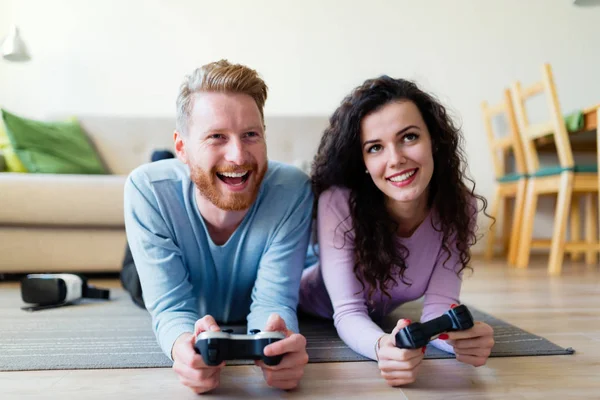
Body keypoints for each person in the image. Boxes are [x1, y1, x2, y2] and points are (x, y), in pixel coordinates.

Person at [124, 60, 312, 394]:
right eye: (216, 137)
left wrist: (276, 344)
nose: (238, 155)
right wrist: (182, 347)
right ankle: (163, 160)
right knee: (136, 282)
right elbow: (170, 307)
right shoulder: (144, 188)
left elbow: (275, 300)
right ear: (183, 146)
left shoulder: (293, 190)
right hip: (171, 254)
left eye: (251, 135)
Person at [298, 75, 494, 387]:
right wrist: (382, 347)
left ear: (434, 140)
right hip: (309, 296)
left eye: (409, 137)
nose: (395, 159)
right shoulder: (338, 202)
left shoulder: (459, 207)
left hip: (374, 311)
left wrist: (461, 339)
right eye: (375, 147)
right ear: (361, 160)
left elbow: (438, 311)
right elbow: (348, 313)